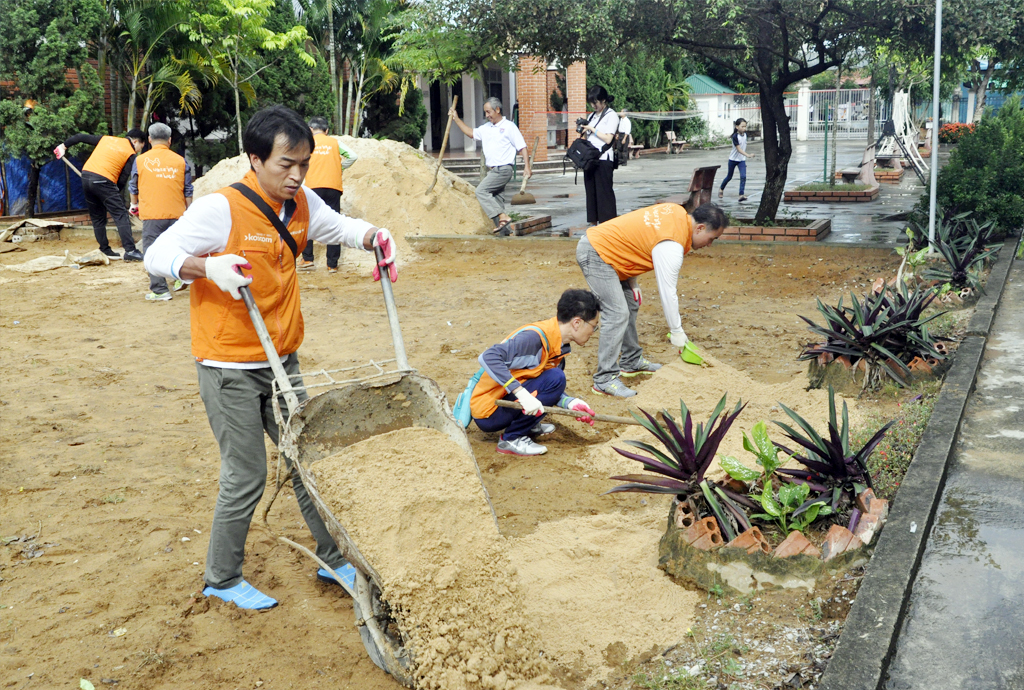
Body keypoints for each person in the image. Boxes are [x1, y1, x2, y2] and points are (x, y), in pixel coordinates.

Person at [144, 105, 398, 610]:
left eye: (303, 163)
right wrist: (205, 267)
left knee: (308, 460)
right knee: (246, 473)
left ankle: (334, 559)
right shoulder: (220, 208)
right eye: (286, 164)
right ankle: (221, 576)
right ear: (255, 159)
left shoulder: (301, 202)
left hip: (284, 362)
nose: (297, 175)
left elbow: (339, 228)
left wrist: (374, 235)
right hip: (229, 367)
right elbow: (157, 254)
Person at [577, 202, 729, 398]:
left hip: (610, 252)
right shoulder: (672, 242)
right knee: (616, 313)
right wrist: (677, 331)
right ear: (700, 228)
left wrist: (632, 280)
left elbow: (637, 235)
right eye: (711, 239)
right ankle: (604, 379)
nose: (709, 245)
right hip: (597, 252)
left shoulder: (676, 212)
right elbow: (667, 292)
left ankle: (631, 362)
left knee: (630, 303)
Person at [470, 289, 599, 456]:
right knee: (556, 378)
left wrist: (569, 402)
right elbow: (488, 357)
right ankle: (512, 439)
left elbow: (544, 384)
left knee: (553, 378)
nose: (593, 333)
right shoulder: (534, 339)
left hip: (504, 402)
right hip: (489, 411)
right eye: (594, 327)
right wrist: (522, 394)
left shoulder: (558, 345)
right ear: (576, 323)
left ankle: (528, 424)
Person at [54, 129, 147, 261]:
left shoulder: (106, 139)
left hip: (86, 177)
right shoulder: (130, 154)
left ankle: (105, 249)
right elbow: (122, 180)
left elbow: (81, 136)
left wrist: (63, 146)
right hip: (104, 180)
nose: (138, 150)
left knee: (97, 217)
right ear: (136, 141)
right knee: (121, 214)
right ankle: (130, 251)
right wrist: (113, 193)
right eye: (140, 147)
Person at [128, 122, 193, 301]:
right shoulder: (180, 161)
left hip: (152, 215)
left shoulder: (140, 160)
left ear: (149, 139)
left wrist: (134, 204)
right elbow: (188, 189)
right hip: (177, 214)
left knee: (152, 253)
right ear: (169, 140)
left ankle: (159, 290)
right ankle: (183, 278)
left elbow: (133, 186)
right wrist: (189, 211)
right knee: (179, 249)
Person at [449, 97, 531, 235]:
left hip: (503, 169)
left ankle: (503, 217)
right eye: (485, 113)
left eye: (488, 112)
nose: (487, 116)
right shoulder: (485, 128)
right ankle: (505, 232)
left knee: (481, 191)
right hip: (493, 170)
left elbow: (522, 147)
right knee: (497, 200)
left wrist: (527, 167)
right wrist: (455, 118)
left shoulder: (509, 126)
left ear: (497, 110)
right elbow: (470, 133)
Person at [298, 116, 358, 273]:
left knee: (308, 221)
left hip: (312, 187)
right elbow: (353, 156)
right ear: (327, 130)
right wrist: (340, 167)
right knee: (333, 222)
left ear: (310, 130)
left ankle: (307, 259)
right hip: (333, 187)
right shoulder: (335, 142)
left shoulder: (306, 143)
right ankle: (332, 264)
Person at [579, 85, 620, 225]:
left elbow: (608, 138)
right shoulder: (591, 116)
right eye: (591, 102)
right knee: (591, 194)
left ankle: (608, 226)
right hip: (590, 160)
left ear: (603, 101)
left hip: (603, 159)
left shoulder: (611, 115)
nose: (593, 105)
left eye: (596, 102)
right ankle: (593, 225)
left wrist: (592, 129)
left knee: (604, 194)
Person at [719, 118, 755, 202]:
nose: (744, 128)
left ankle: (741, 195)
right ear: (737, 127)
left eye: (745, 126)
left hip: (741, 160)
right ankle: (721, 189)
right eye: (742, 126)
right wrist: (748, 155)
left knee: (743, 176)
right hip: (733, 159)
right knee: (729, 176)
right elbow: (739, 149)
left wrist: (745, 157)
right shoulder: (735, 136)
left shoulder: (745, 135)